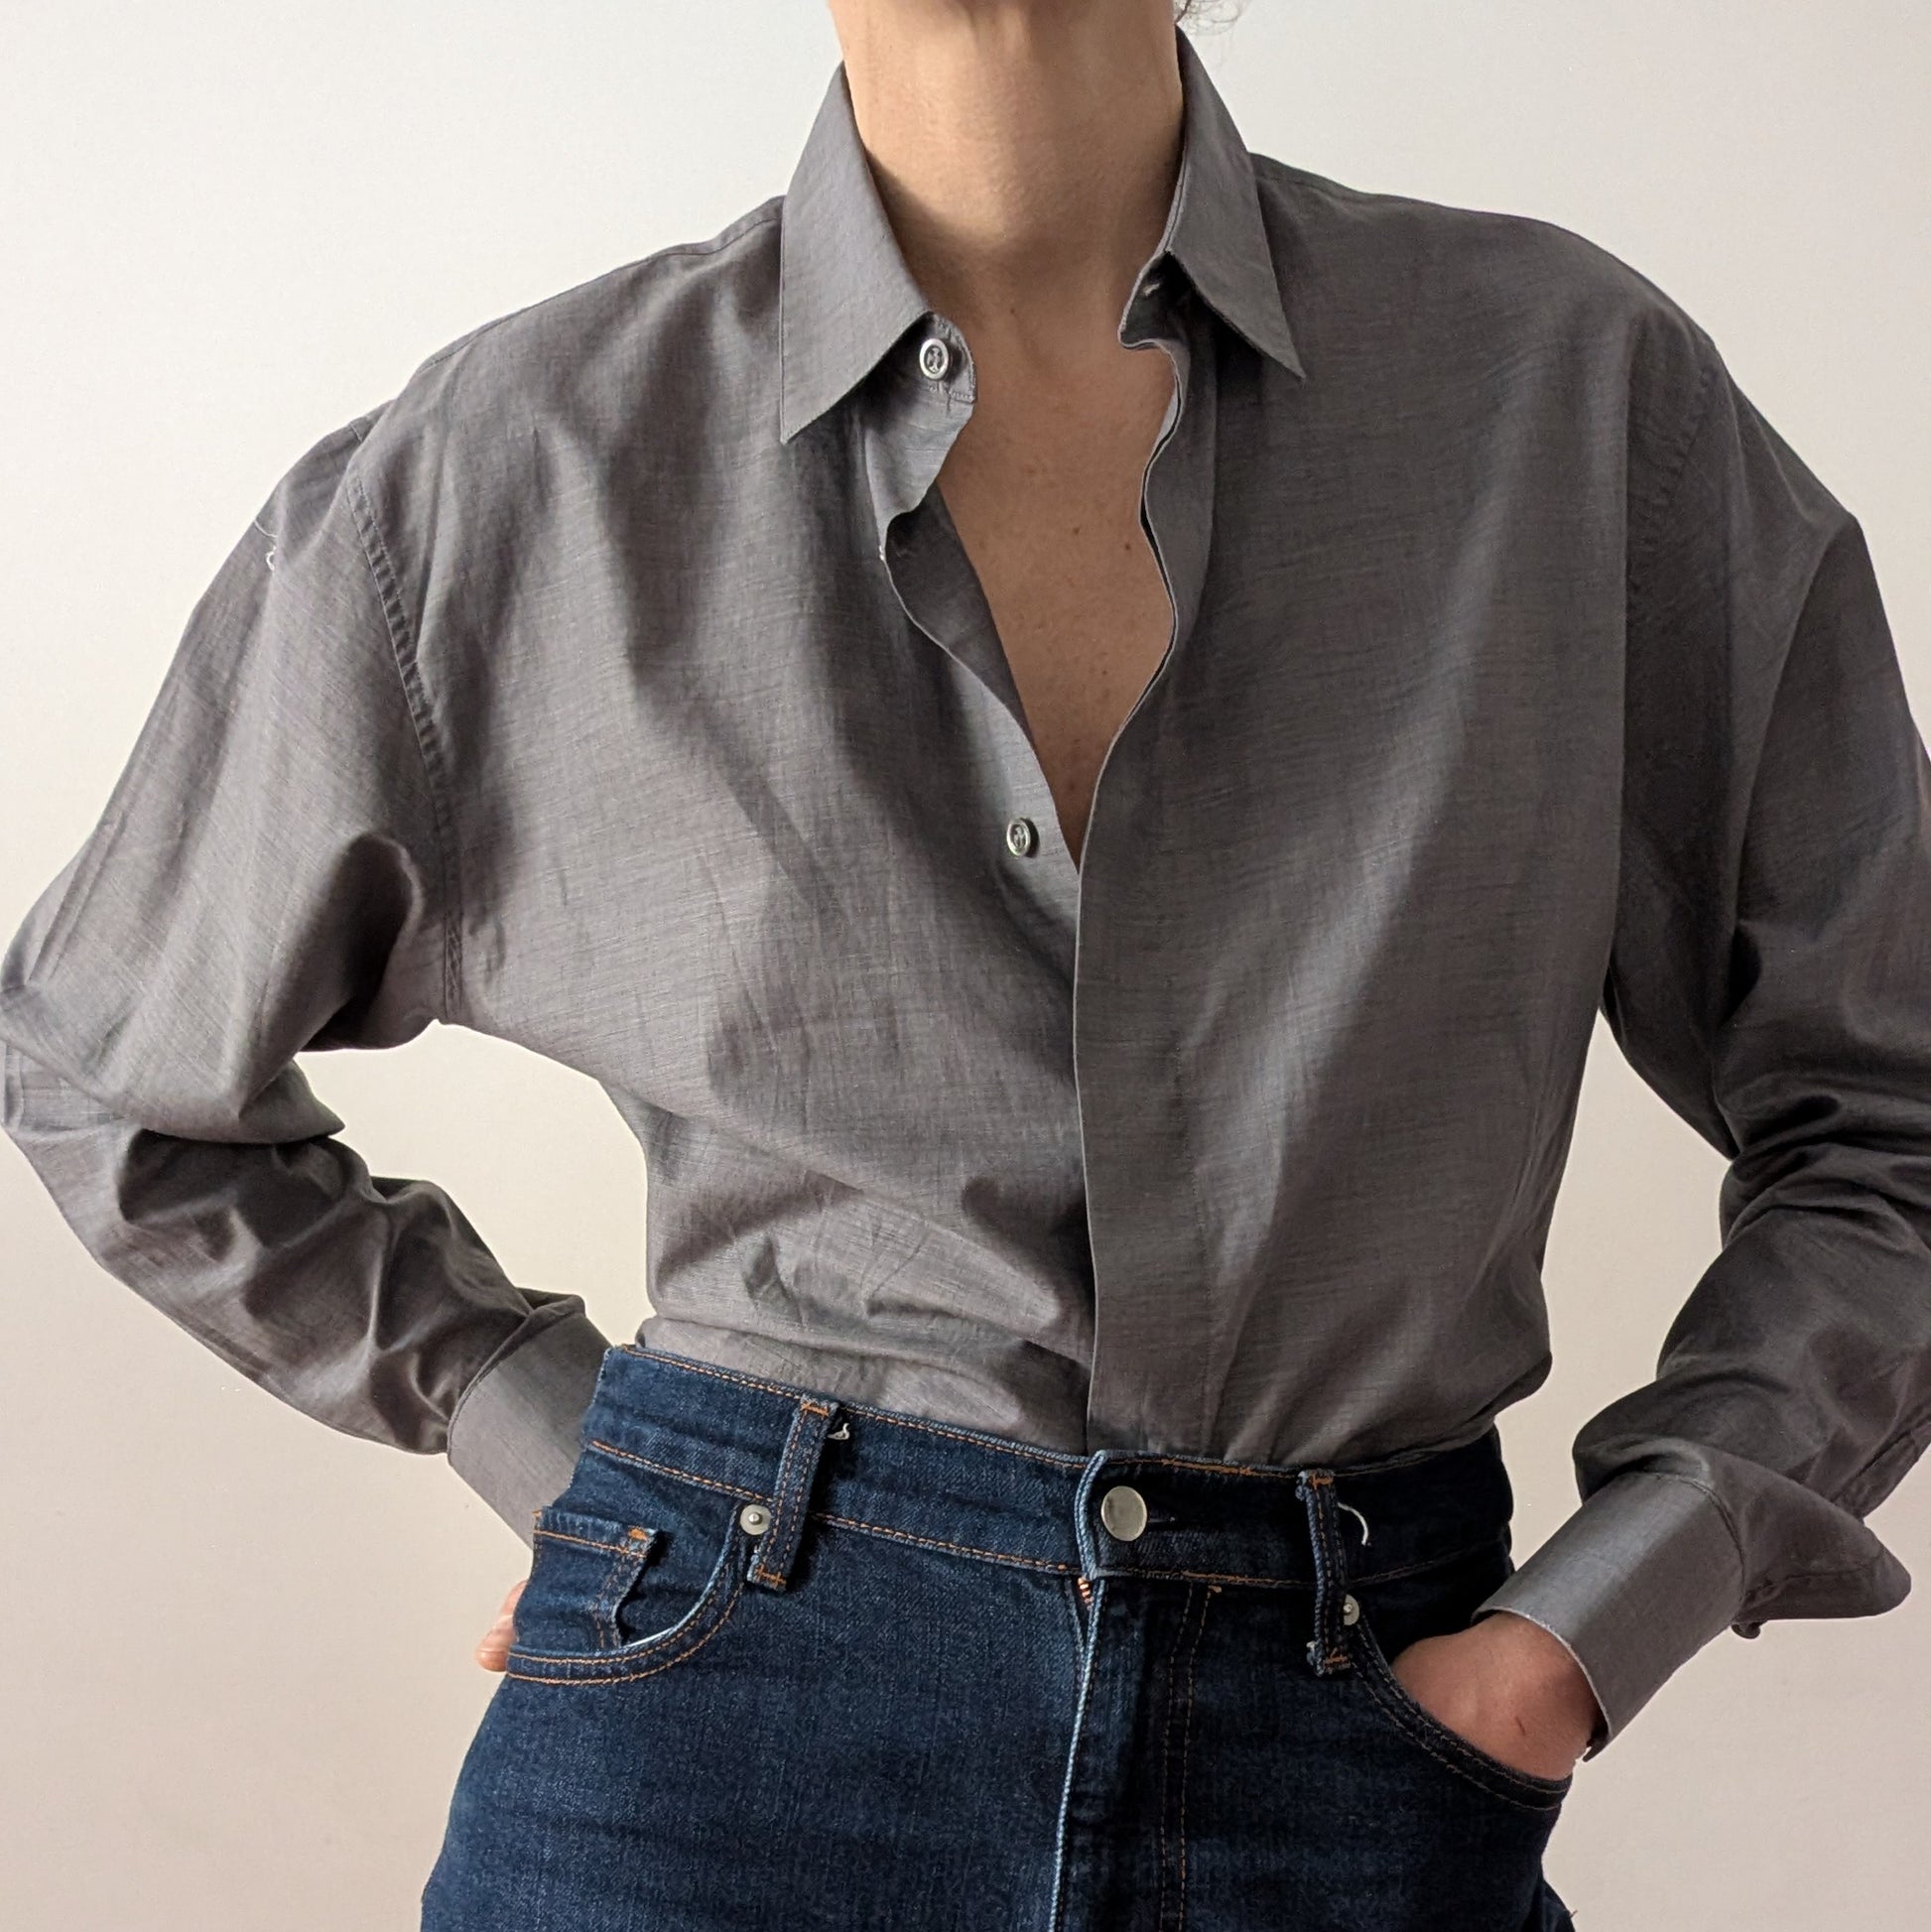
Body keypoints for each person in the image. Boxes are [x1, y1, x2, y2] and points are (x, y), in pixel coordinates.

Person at [4, 2, 1927, 1926]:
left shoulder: (1571, 399)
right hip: (705, 1752)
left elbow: (1894, 1110)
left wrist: (1595, 1620)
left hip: (1357, 1748)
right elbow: (105, 1058)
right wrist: (556, 1433)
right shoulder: (522, 460)